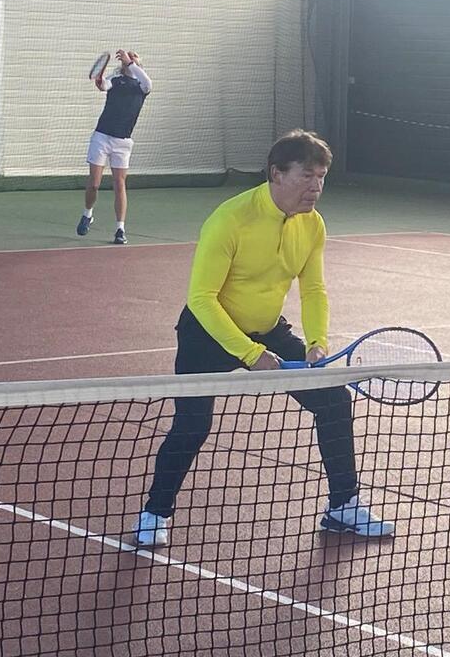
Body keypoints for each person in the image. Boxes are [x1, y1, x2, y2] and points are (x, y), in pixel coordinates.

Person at [133, 130, 393, 546]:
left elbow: (313, 289)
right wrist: (250, 353)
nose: (316, 187)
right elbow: (201, 298)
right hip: (208, 334)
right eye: (306, 176)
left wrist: (318, 342)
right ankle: (154, 514)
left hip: (269, 329)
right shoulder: (230, 219)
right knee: (192, 426)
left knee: (333, 400)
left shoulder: (313, 225)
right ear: (276, 173)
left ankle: (343, 507)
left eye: (321, 177)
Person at [76, 49, 152, 244]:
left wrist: (131, 62)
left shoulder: (142, 86)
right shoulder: (115, 79)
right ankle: (87, 214)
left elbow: (148, 82)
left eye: (134, 56)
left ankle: (120, 229)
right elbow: (103, 85)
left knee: (119, 184)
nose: (130, 58)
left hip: (123, 143)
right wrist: (100, 81)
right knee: (94, 183)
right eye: (128, 57)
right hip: (102, 137)